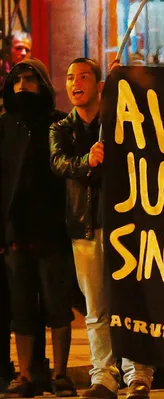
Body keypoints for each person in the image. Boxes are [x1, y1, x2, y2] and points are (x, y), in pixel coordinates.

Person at [50, 58, 154, 399]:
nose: (75, 83)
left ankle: (137, 374)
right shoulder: (61, 128)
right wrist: (86, 161)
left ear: (98, 85)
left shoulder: (118, 120)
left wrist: (122, 81)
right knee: (96, 307)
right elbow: (59, 163)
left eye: (83, 76)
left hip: (124, 224)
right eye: (69, 77)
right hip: (85, 226)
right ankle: (104, 377)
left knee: (132, 300)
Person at [0, 58, 76, 398]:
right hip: (15, 232)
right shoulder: (5, 125)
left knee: (57, 302)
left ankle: (60, 374)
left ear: (42, 83)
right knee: (21, 307)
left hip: (52, 230)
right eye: (17, 81)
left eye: (29, 80)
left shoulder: (59, 124)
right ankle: (27, 374)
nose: (22, 87)